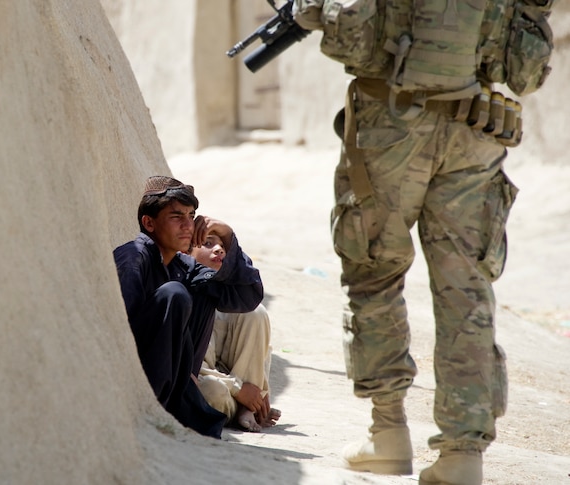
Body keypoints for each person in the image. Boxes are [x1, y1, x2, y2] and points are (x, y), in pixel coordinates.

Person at [288, 0, 551, 482]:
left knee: (374, 270)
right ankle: (462, 455)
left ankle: (387, 433)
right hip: (476, 126)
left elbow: (342, 26)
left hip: (393, 126)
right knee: (466, 290)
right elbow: (526, 62)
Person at [112, 175, 264, 438]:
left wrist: (226, 232)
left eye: (191, 215)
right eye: (176, 217)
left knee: (203, 289)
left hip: (176, 381)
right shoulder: (133, 258)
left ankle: (183, 391)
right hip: (134, 380)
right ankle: (158, 405)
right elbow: (121, 333)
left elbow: (248, 296)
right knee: (175, 294)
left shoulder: (184, 267)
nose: (187, 226)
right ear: (149, 223)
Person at [190, 233, 281, 432]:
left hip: (236, 376)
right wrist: (238, 390)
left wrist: (258, 391)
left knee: (255, 313)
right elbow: (187, 368)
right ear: (187, 250)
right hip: (206, 381)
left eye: (222, 246)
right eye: (207, 243)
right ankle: (240, 407)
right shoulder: (182, 293)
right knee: (212, 391)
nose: (219, 249)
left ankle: (249, 407)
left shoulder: (228, 296)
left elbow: (260, 352)